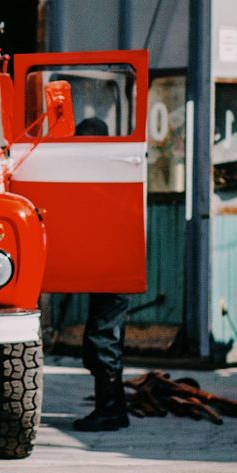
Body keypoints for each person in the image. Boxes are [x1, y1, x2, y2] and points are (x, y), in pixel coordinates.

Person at [70, 114, 131, 431]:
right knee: (105, 340)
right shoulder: (114, 173)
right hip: (114, 269)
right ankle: (115, 409)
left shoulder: (105, 178)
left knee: (102, 340)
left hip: (113, 270)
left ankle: (109, 411)